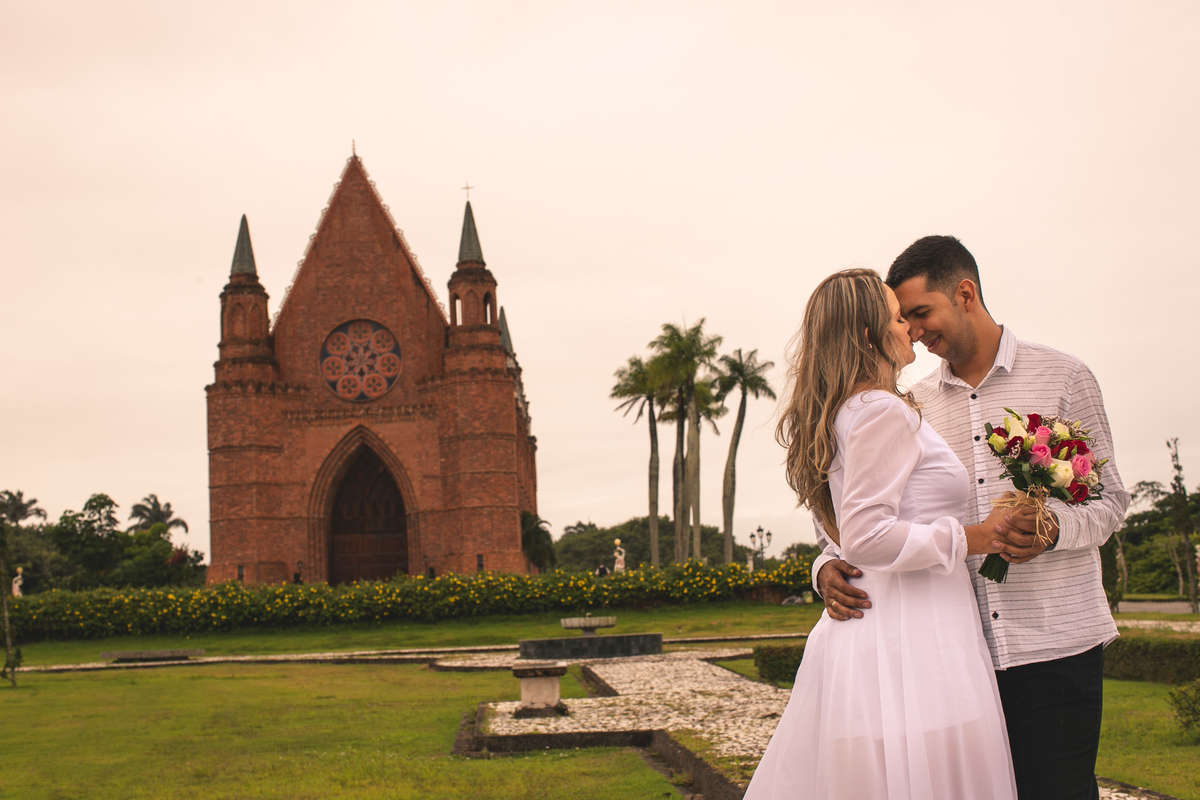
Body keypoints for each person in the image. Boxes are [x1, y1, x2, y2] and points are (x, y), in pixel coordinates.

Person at [815, 236, 1129, 800]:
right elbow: (849, 512)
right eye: (903, 319)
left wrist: (1051, 529)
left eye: (919, 313)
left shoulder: (1064, 376)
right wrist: (825, 564)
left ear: (965, 294)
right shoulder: (909, 401)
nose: (911, 330)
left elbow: (1110, 504)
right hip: (953, 657)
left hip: (1054, 644)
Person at [746, 268, 1017, 799]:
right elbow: (867, 536)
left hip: (882, 630)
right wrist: (977, 537)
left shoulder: (848, 412)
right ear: (871, 335)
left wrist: (823, 561)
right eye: (898, 319)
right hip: (912, 639)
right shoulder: (879, 411)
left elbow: (846, 531)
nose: (910, 330)